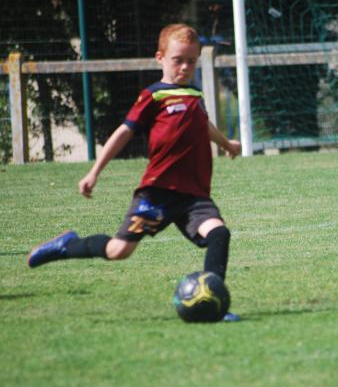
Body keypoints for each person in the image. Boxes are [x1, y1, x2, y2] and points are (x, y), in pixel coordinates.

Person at [27, 23, 242, 321]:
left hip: (193, 196)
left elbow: (202, 125)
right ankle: (67, 245)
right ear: (160, 58)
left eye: (191, 61)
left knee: (219, 233)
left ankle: (214, 302)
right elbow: (123, 133)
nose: (184, 67)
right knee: (119, 250)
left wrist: (227, 143)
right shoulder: (153, 96)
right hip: (158, 193)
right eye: (178, 60)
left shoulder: (194, 94)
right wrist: (94, 172)